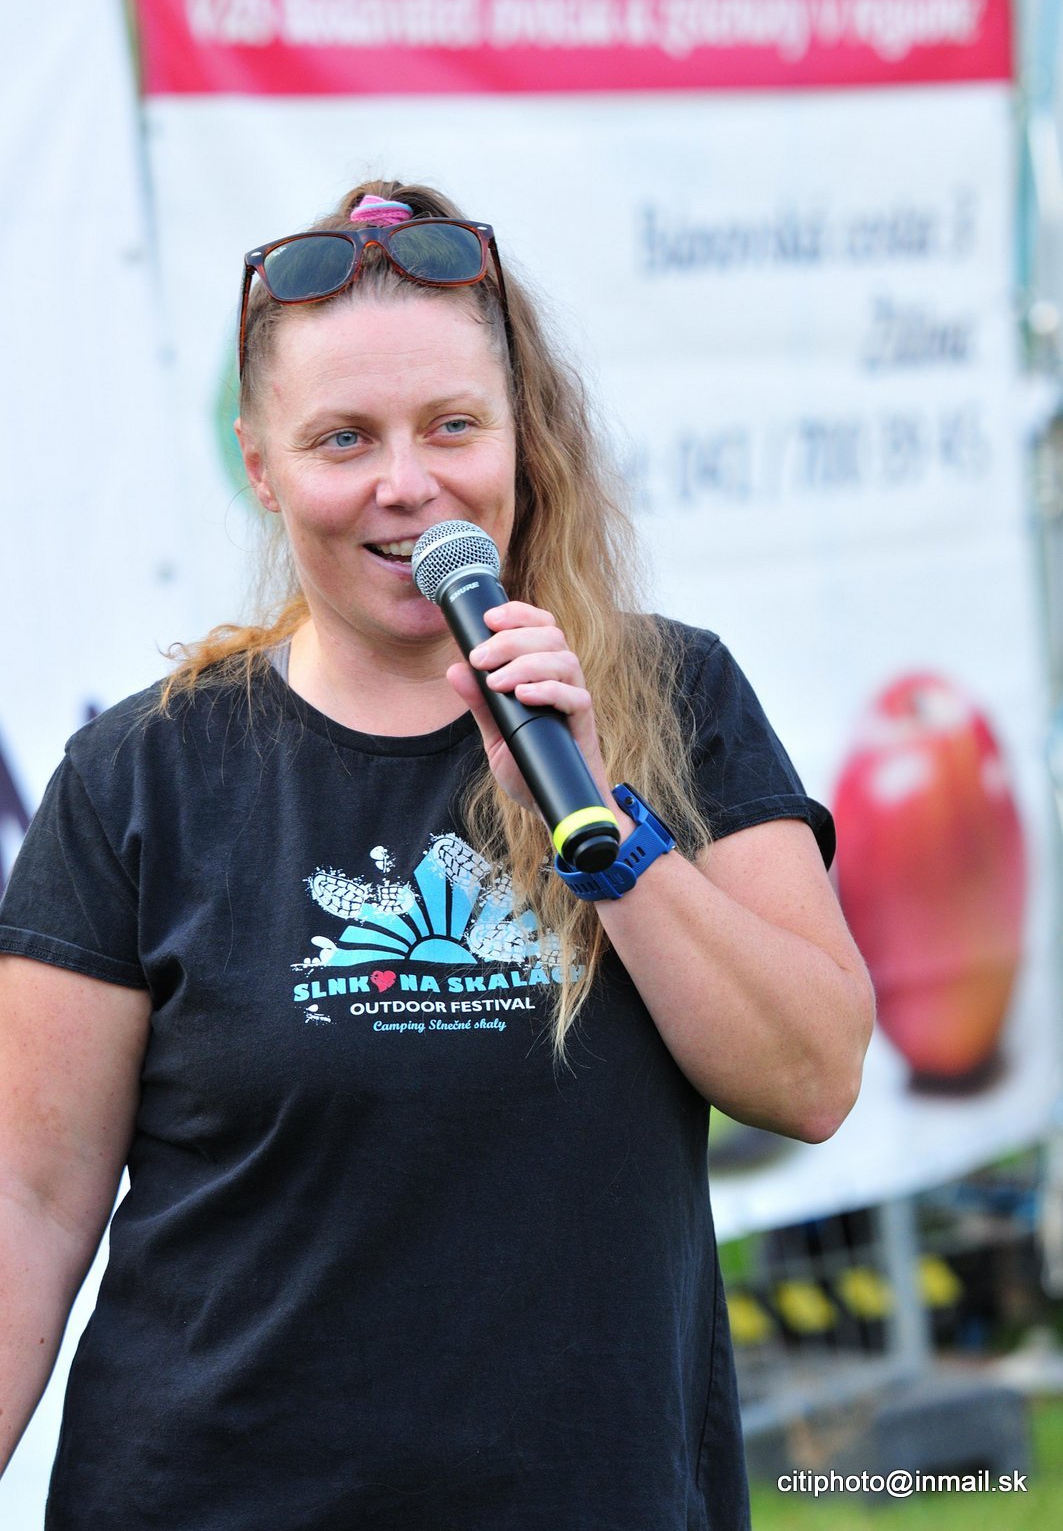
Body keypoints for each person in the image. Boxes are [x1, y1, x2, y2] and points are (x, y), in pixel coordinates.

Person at [0, 179, 874, 1530]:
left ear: (521, 437)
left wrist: (605, 826)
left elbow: (810, 1078)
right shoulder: (143, 773)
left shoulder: (675, 700)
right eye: (342, 438)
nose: (407, 484)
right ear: (262, 467)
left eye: (452, 426)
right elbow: (28, 1200)